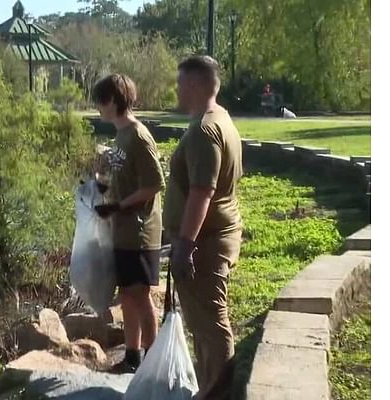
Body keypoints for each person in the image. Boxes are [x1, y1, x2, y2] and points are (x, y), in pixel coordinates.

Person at [163, 55, 243, 400]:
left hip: (206, 243)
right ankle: (210, 387)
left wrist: (184, 244)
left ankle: (220, 392)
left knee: (212, 322)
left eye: (180, 83)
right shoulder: (220, 118)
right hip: (211, 238)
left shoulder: (205, 130)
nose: (177, 89)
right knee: (203, 320)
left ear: (194, 85)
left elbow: (202, 192)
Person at [90, 73, 166, 374]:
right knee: (126, 294)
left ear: (112, 101)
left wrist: (119, 206)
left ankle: (154, 360)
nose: (97, 107)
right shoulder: (120, 135)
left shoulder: (138, 135)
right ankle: (133, 356)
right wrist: (102, 190)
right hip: (121, 230)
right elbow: (126, 178)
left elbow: (154, 184)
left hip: (139, 231)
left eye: (99, 101)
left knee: (140, 294)